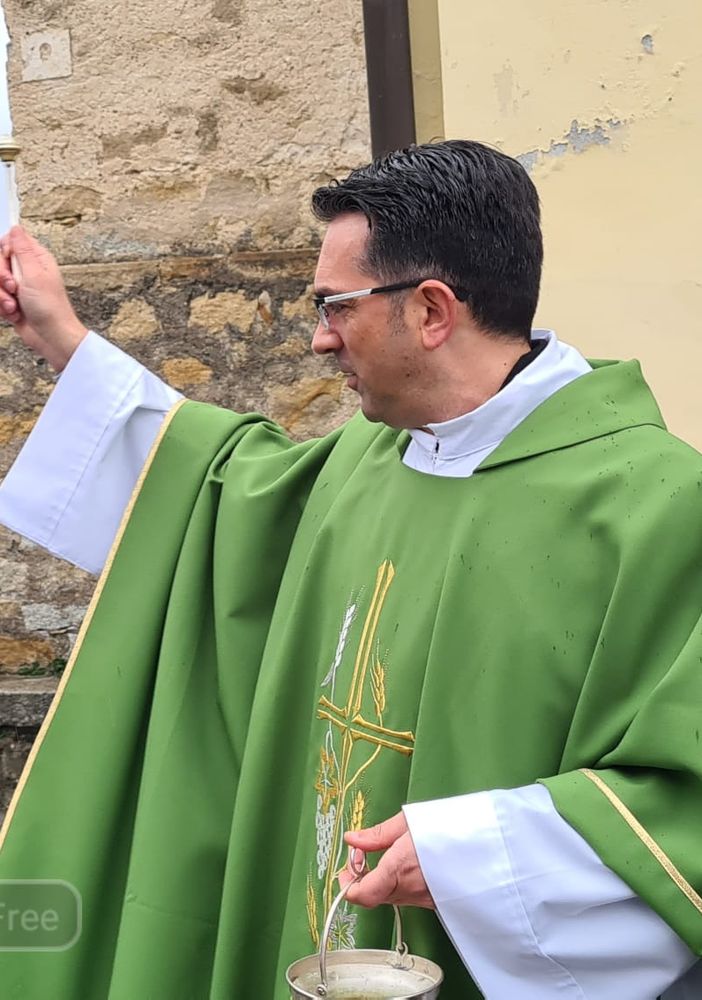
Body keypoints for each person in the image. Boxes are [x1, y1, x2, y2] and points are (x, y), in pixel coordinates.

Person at [0, 140, 701, 999]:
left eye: (335, 306)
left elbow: (681, 808)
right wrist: (62, 338)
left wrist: (478, 854)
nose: (318, 338)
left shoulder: (661, 510)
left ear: (432, 310)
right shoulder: (367, 458)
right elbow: (213, 490)